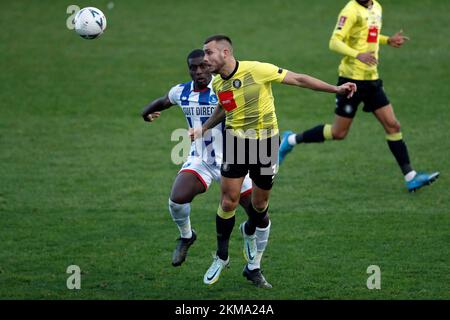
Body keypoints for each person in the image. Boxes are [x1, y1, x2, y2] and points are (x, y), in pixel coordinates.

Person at [192, 35, 356, 288]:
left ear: (225, 52)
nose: (205, 58)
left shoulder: (257, 70)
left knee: (259, 206)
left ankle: (252, 257)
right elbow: (225, 109)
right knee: (228, 200)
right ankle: (222, 256)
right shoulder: (218, 84)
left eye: (209, 52)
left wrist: (336, 89)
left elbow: (299, 79)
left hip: (266, 144)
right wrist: (204, 128)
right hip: (236, 142)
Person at [278, 0, 439, 192]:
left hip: (372, 80)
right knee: (339, 133)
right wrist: (357, 55)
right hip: (351, 81)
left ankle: (410, 177)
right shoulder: (350, 11)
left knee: (393, 125)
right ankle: (291, 140)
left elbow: (369, 36)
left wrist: (387, 40)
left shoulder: (377, 7)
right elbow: (334, 41)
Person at [141, 49, 253, 269]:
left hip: (233, 161)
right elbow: (164, 101)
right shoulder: (182, 91)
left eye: (203, 66)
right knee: (176, 200)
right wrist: (146, 112)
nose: (199, 71)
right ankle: (186, 236)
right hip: (200, 159)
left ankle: (250, 246)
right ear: (189, 69)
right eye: (193, 67)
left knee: (258, 214)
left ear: (211, 66)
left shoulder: (224, 87)